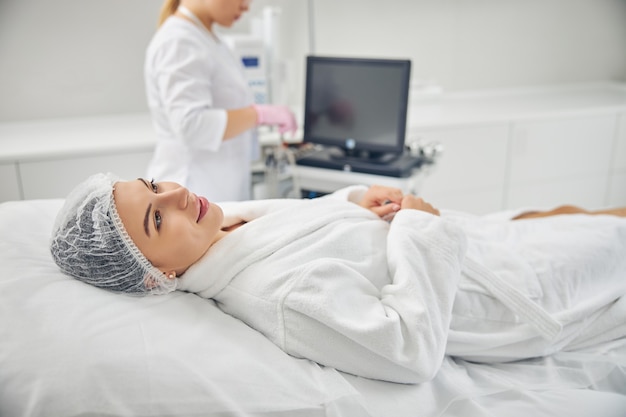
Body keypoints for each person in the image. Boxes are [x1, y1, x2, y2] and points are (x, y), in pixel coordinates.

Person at [50, 173, 626, 384]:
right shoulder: (276, 296)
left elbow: (316, 223)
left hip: (477, 241)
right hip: (508, 290)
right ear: (158, 274)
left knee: (574, 214)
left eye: (154, 185)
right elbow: (408, 351)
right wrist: (418, 231)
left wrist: (358, 200)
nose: (176, 193)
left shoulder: (226, 226)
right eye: (157, 216)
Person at [144, 0, 297, 202]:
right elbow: (191, 125)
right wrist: (258, 115)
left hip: (217, 188)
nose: (246, 7)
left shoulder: (207, 37)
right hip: (192, 191)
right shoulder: (179, 41)